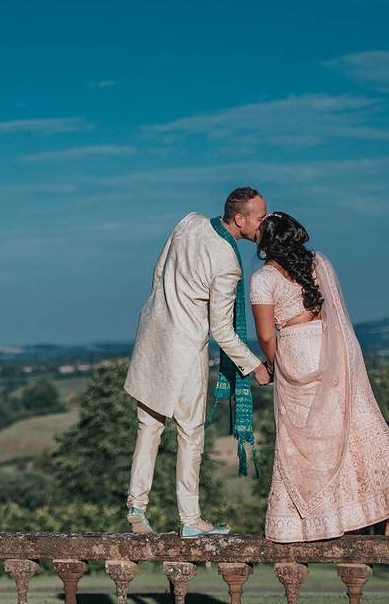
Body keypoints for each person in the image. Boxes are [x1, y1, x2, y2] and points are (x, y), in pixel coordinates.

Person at [249, 212, 389, 542]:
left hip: (296, 350)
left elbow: (264, 335)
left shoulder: (263, 279)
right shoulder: (319, 263)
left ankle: (324, 521)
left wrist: (273, 366)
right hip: (333, 348)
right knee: (357, 429)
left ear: (266, 242)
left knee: (306, 444)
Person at [125, 187, 271, 537]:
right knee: (190, 434)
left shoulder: (187, 222)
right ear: (241, 219)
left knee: (149, 428)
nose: (263, 225)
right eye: (261, 218)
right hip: (185, 347)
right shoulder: (228, 263)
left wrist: (163, 310)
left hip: (153, 333)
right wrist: (255, 366)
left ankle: (136, 507)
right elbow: (222, 328)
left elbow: (158, 275)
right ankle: (190, 520)